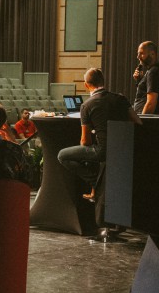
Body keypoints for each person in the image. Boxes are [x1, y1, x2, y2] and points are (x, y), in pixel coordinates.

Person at [58, 68, 141, 202]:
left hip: (103, 151)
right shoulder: (121, 98)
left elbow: (85, 141)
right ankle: (97, 186)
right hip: (124, 149)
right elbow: (138, 123)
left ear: (86, 85)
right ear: (103, 81)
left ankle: (96, 182)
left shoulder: (87, 105)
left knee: (62, 155)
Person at [132, 41, 159, 115]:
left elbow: (150, 103)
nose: (138, 57)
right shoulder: (157, 70)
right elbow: (144, 96)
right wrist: (139, 81)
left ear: (152, 54)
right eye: (138, 53)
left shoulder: (154, 72)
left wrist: (142, 122)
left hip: (148, 123)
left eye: (141, 53)